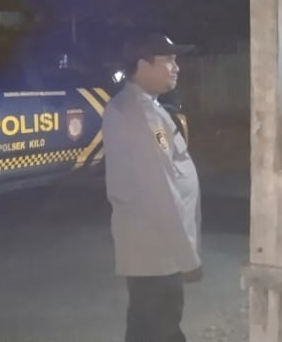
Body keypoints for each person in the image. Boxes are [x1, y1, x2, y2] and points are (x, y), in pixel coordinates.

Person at [103, 31, 200, 342]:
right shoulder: (142, 115)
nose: (176, 67)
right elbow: (161, 190)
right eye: (168, 60)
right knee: (162, 327)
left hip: (150, 244)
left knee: (146, 326)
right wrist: (186, 256)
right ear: (143, 65)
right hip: (157, 247)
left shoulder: (140, 106)